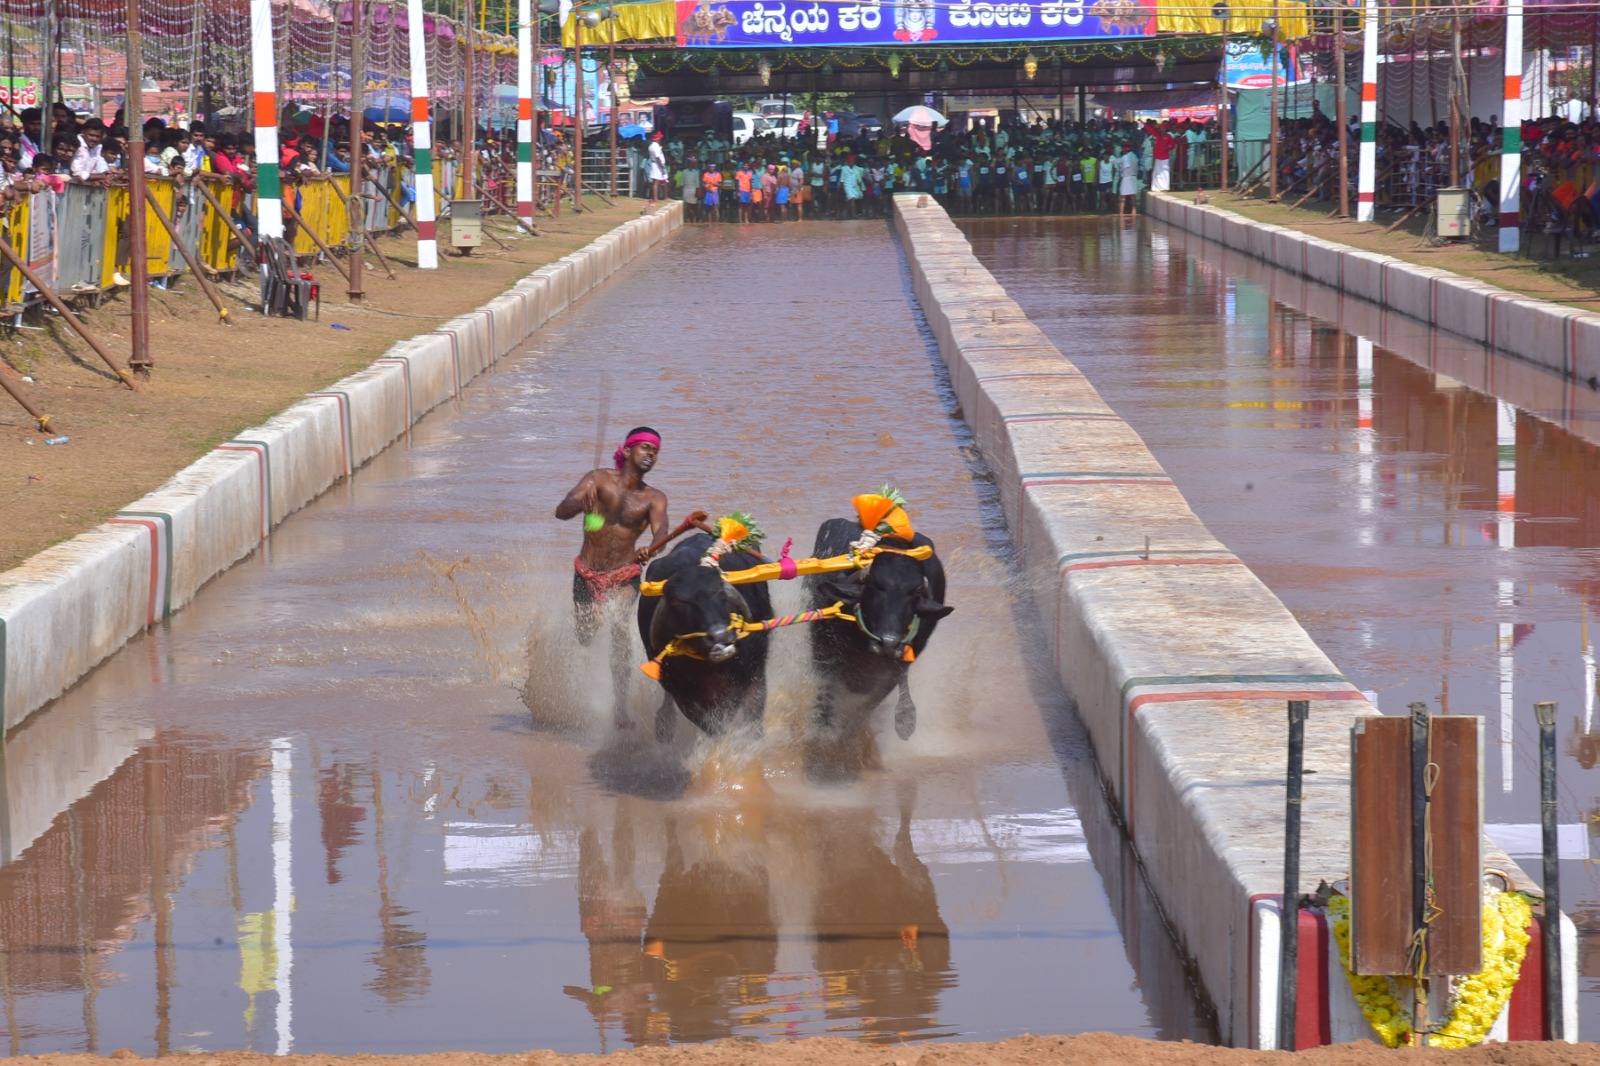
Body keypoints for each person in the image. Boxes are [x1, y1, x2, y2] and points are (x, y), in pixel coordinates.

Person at [555, 427, 670, 729]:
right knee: (586, 635)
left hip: (625, 574)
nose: (650, 455)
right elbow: (560, 511)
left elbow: (662, 532)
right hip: (587, 573)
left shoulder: (653, 498)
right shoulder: (598, 480)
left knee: (619, 625)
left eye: (655, 451)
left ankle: (620, 709)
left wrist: (651, 548)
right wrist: (581, 504)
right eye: (645, 448)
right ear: (628, 451)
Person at [1118, 142, 1140, 220]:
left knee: (1123, 197)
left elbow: (1117, 162)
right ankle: (1134, 211)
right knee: (1132, 196)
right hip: (1133, 177)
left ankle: (1121, 212)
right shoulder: (1135, 156)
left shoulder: (1125, 157)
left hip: (1126, 177)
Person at [646, 131, 668, 204]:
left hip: (656, 164)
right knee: (656, 182)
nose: (660, 140)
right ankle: (655, 198)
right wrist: (662, 166)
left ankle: (665, 197)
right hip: (657, 165)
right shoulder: (655, 146)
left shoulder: (652, 146)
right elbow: (657, 157)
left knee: (663, 181)